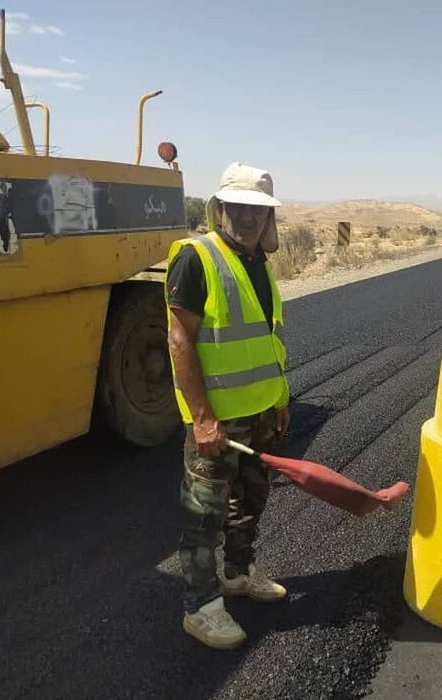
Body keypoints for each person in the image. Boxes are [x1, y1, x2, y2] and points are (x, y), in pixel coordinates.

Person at [165, 162, 291, 650]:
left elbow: (269, 339)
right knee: (204, 516)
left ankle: (238, 574)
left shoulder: (258, 263)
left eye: (257, 210)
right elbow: (181, 342)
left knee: (249, 504)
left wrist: (280, 400)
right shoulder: (198, 259)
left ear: (268, 218)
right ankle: (201, 607)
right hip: (215, 422)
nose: (246, 217)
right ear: (220, 208)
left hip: (260, 413)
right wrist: (202, 419)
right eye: (237, 207)